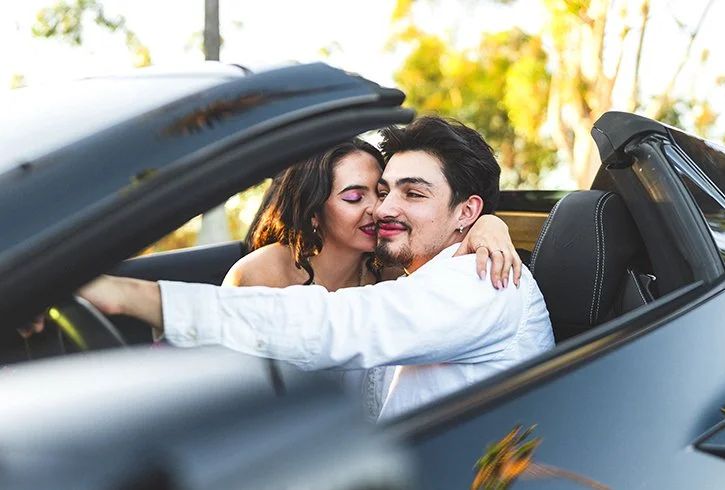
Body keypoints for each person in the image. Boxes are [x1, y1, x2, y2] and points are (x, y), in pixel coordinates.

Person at [76, 116, 556, 421]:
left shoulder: (484, 281)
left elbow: (336, 325)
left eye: (413, 193)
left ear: (465, 211)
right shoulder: (418, 277)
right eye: (383, 191)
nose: (383, 208)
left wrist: (132, 296)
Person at [219, 137, 522, 417]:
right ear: (314, 212)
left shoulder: (392, 269)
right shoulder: (260, 272)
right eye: (353, 197)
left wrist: (487, 224)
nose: (379, 210)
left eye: (378, 193)